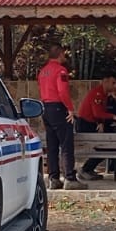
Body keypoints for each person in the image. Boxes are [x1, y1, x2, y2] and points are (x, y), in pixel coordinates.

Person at [36, 43, 83, 190]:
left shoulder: (42, 72)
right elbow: (62, 92)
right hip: (58, 108)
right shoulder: (61, 71)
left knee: (52, 145)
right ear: (60, 54)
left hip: (46, 108)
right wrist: (70, 109)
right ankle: (70, 177)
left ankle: (53, 177)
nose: (65, 56)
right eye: (64, 54)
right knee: (66, 143)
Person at [75, 75, 116, 180]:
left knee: (105, 147)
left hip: (93, 123)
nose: (115, 86)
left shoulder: (104, 95)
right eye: (113, 83)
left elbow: (99, 112)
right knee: (105, 147)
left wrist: (101, 122)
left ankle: (88, 169)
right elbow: (97, 113)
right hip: (85, 124)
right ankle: (85, 169)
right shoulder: (97, 93)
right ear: (105, 82)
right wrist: (113, 116)